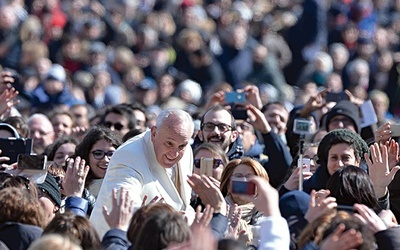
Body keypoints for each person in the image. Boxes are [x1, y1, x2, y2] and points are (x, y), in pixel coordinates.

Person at [90, 108, 195, 237]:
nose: (175, 153)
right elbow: (123, 205)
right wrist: (155, 215)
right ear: (154, 133)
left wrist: (188, 218)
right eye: (169, 143)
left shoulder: (187, 150)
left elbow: (184, 203)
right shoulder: (129, 155)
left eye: (181, 146)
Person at [219, 157, 269, 246]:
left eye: (250, 178)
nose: (244, 181)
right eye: (238, 176)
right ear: (228, 185)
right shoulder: (217, 210)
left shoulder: (268, 214)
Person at [70, 126, 121, 198]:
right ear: (86, 155)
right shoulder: (71, 185)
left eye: (111, 154)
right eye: (98, 153)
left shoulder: (126, 185)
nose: (105, 159)